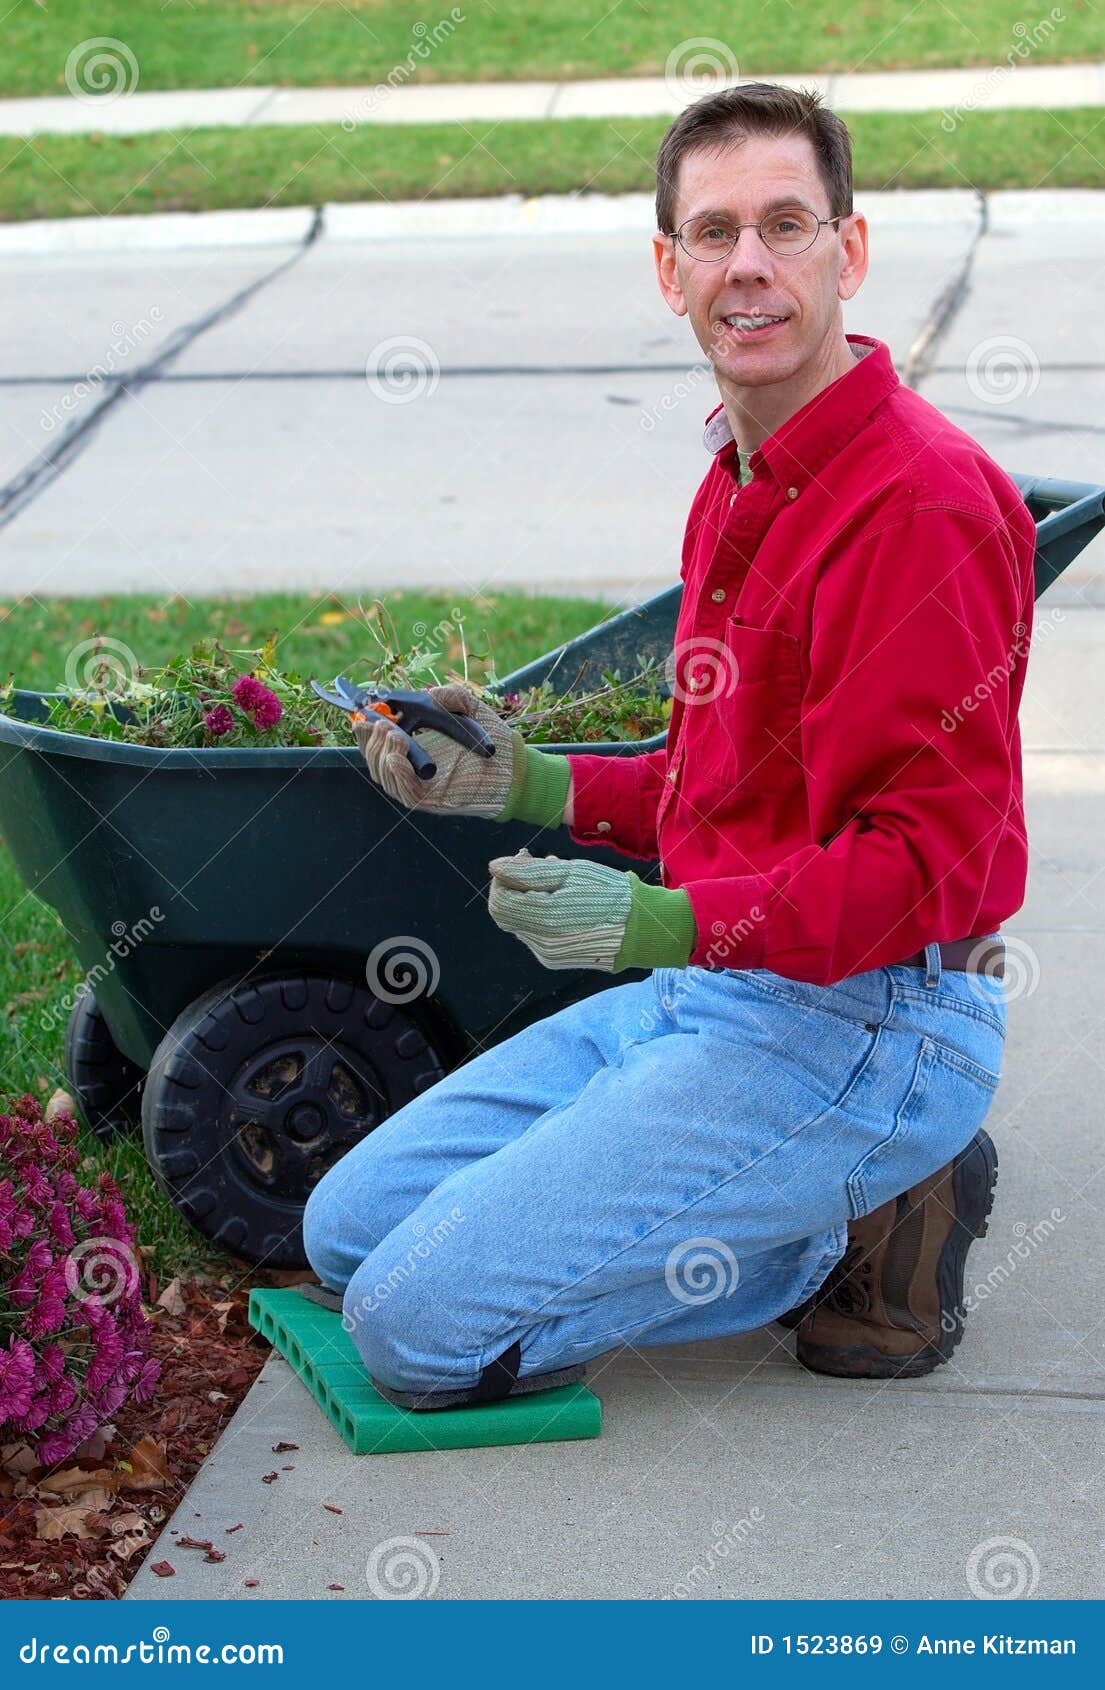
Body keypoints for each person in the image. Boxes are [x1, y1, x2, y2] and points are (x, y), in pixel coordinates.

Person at [303, 82, 1036, 1411]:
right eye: (712, 233)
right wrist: (519, 781)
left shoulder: (915, 508)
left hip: (871, 1022)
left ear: (847, 253)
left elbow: (922, 866)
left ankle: (842, 1219)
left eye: (784, 225)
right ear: (669, 268)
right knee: (342, 1229)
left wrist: (650, 923)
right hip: (721, 995)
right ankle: (806, 1196)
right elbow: (731, 791)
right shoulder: (740, 477)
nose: (746, 265)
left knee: (410, 1331)